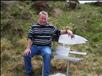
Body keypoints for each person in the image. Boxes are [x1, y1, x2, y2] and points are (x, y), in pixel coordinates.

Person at [23, 11, 74, 76]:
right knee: (26, 54)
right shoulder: (33, 27)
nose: (43, 20)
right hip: (35, 46)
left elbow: (59, 32)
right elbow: (30, 38)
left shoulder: (51, 27)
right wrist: (28, 48)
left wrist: (67, 31)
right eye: (42, 18)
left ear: (47, 19)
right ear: (39, 18)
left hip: (45, 47)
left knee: (47, 55)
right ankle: (29, 72)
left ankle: (45, 74)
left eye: (45, 19)